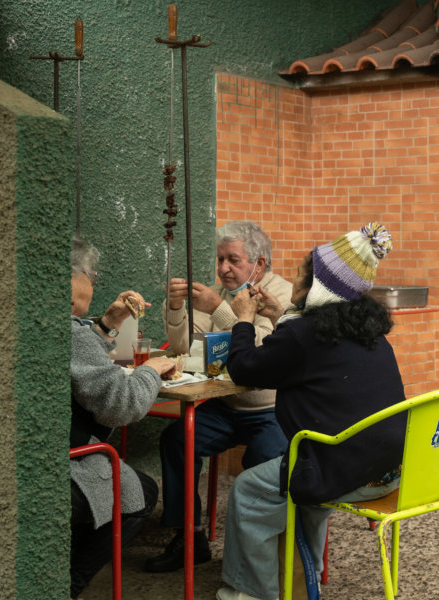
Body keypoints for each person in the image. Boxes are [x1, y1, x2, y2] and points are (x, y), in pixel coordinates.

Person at [215, 223, 407, 600]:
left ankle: (249, 593)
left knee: (247, 491)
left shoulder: (305, 335)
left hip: (340, 471)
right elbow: (299, 353)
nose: (296, 287)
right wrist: (283, 313)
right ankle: (308, 576)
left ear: (317, 288)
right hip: (390, 471)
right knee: (298, 482)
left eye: (301, 280)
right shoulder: (367, 331)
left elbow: (245, 368)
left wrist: (241, 319)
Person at [145, 221, 292, 573]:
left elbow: (261, 353)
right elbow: (185, 348)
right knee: (178, 440)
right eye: (220, 259)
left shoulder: (279, 293)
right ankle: (189, 537)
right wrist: (177, 309)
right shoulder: (219, 294)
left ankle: (259, 551)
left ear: (259, 263)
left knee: (261, 460)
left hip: (274, 410)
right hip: (227, 406)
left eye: (233, 260)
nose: (223, 268)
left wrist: (218, 309)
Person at [69, 239, 176, 598]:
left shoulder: (47, 323)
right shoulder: (69, 332)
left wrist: (108, 323)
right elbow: (121, 403)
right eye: (91, 275)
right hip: (67, 461)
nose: (93, 283)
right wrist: (154, 371)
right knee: (141, 493)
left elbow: (79, 357)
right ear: (70, 281)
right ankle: (68, 583)